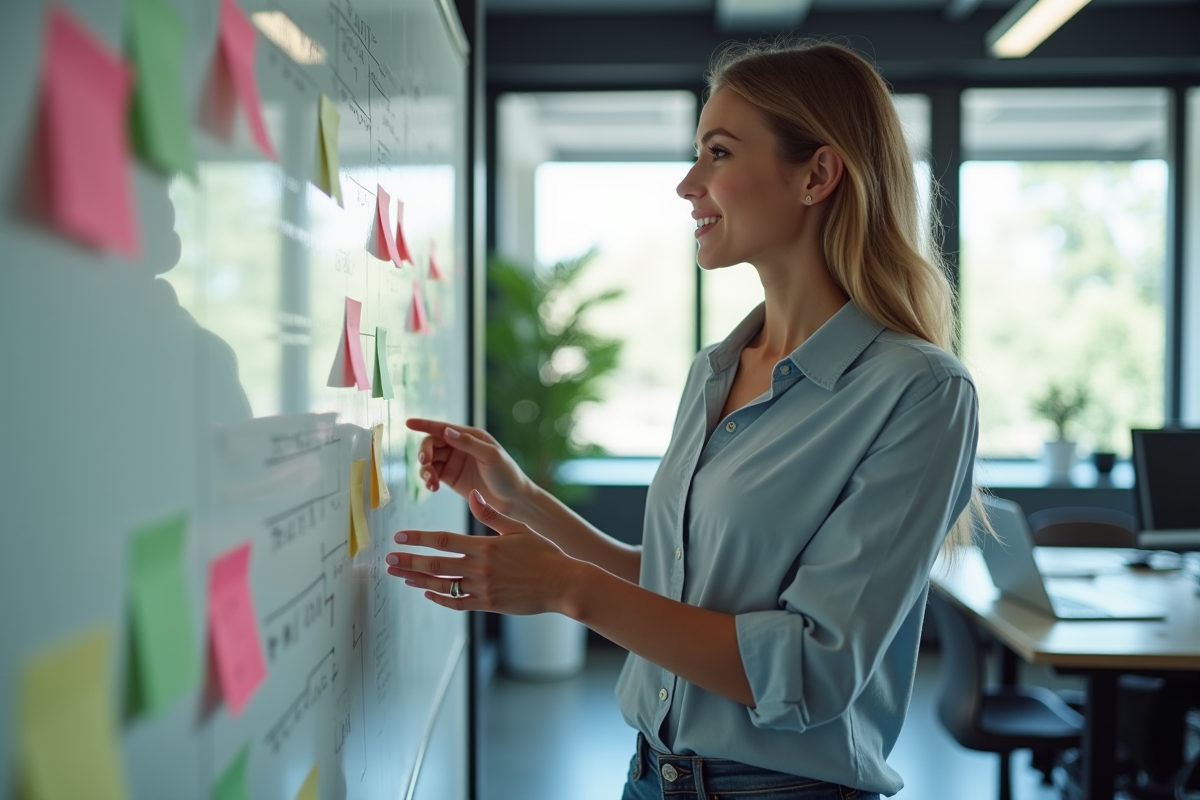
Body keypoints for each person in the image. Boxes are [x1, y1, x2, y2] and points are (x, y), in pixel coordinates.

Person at [385, 39, 983, 800]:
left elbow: (811, 670)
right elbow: (679, 589)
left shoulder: (920, 392)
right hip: (650, 778)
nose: (686, 184)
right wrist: (522, 502)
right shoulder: (717, 370)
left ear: (817, 175)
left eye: (718, 153)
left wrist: (570, 589)